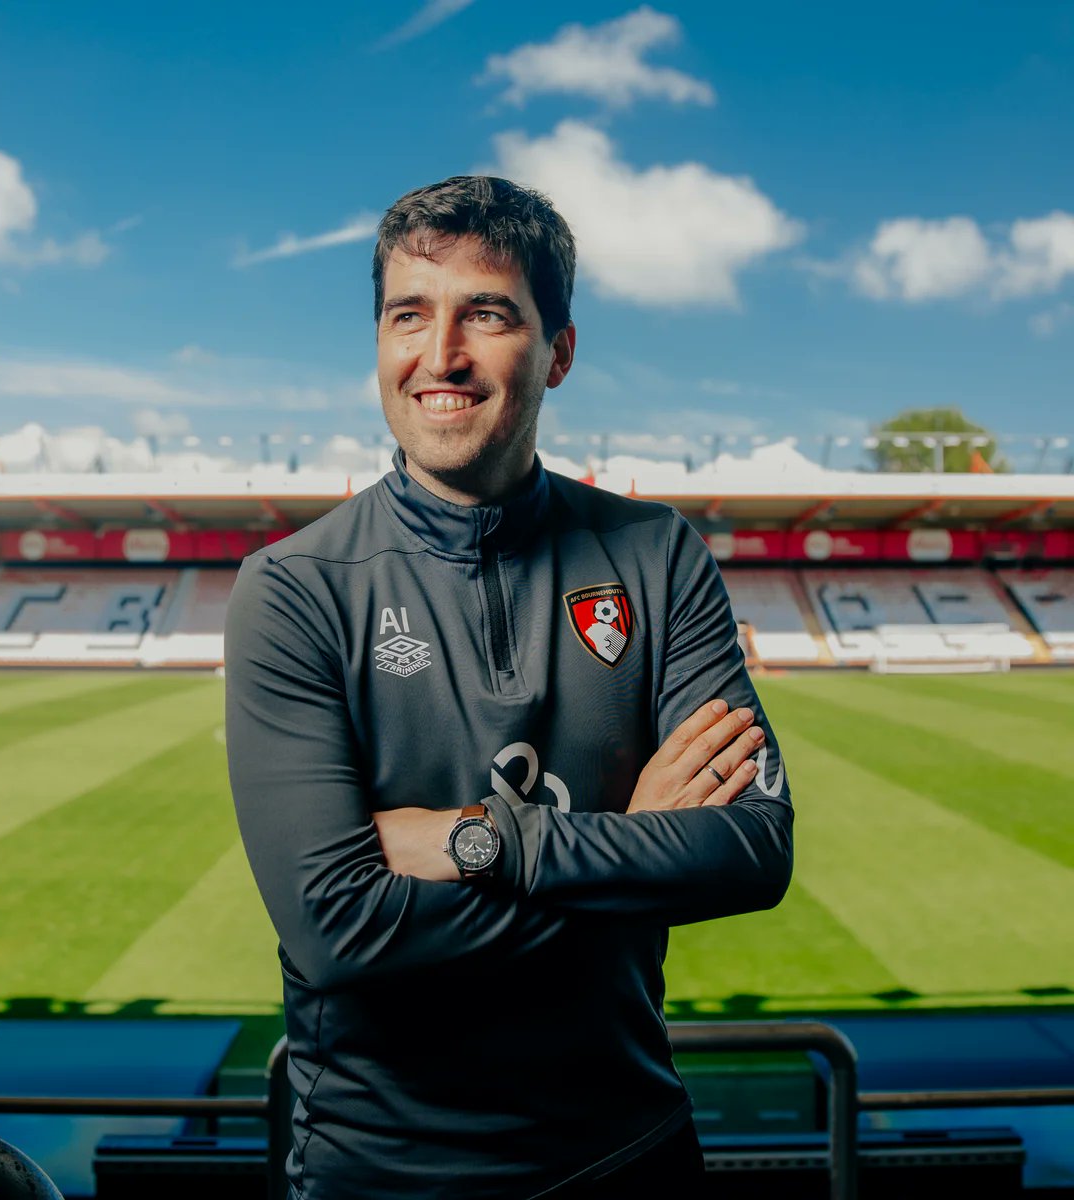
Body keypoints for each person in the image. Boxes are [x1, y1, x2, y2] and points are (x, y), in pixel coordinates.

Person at [225, 175, 793, 1200]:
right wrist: (634, 853)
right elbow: (338, 930)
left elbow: (751, 849)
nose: (440, 355)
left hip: (632, 1152)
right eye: (409, 315)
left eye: (486, 313)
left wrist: (487, 841)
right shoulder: (293, 587)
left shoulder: (655, 554)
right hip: (382, 1176)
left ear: (559, 352)